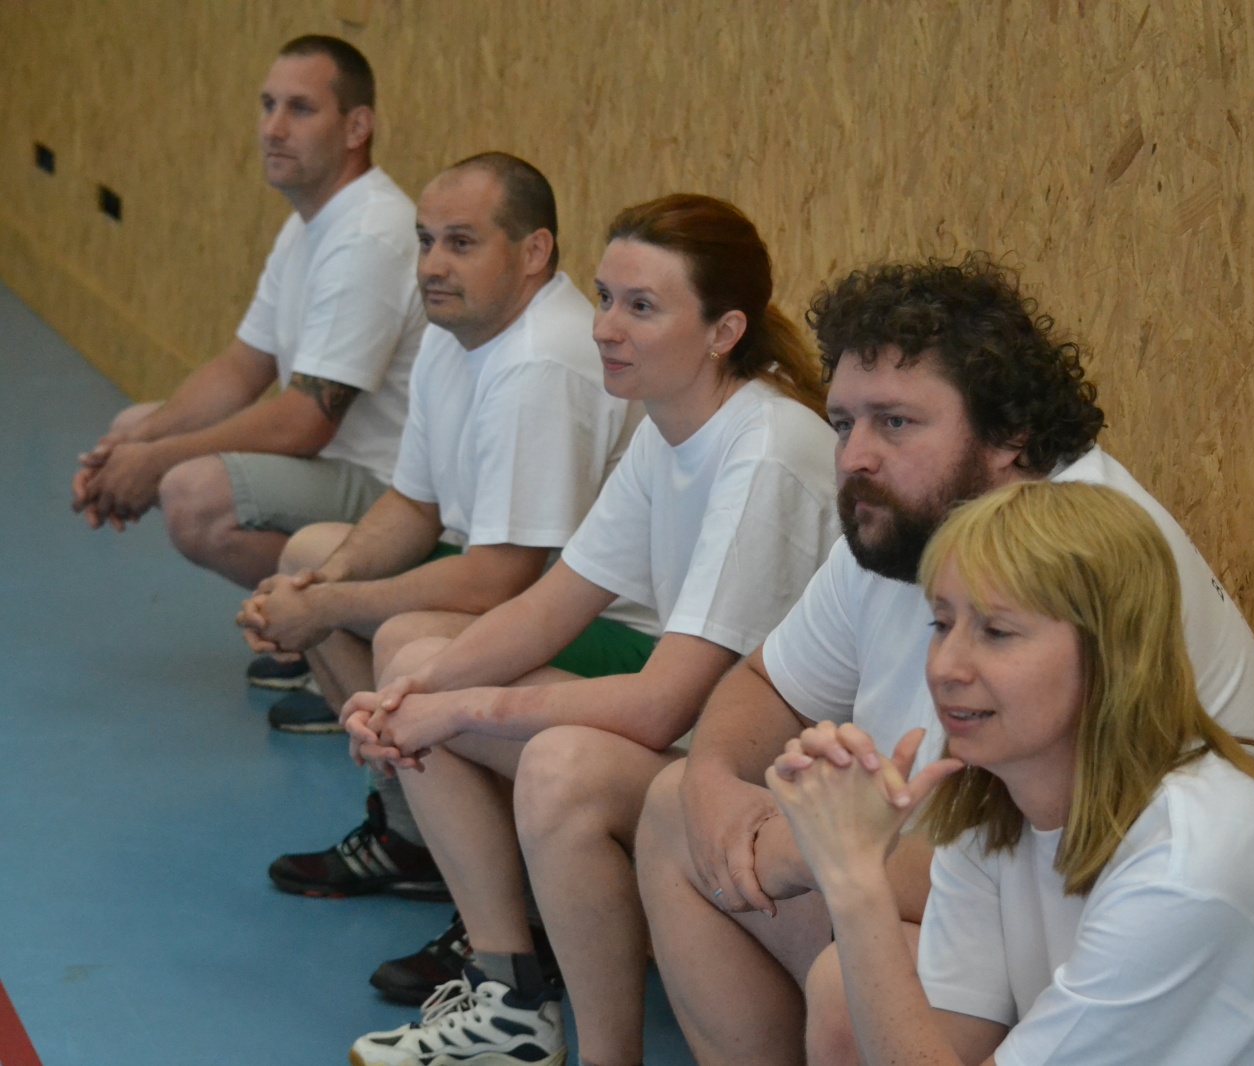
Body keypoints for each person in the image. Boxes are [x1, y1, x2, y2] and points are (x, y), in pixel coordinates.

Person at [634, 255, 1254, 1066]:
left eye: (895, 422)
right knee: (677, 805)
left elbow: (1045, 852)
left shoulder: (1086, 555)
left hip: (1118, 933)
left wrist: (805, 852)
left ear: (1009, 435)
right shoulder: (908, 518)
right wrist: (714, 786)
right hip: (995, 892)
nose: (855, 456)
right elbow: (770, 682)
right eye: (843, 424)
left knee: (853, 986)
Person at [344, 194, 841, 1066]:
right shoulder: (670, 423)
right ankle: (510, 996)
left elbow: (660, 707)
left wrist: (459, 708)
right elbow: (551, 604)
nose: (606, 326)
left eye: (642, 307)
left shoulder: (765, 448)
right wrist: (412, 694)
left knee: (559, 767)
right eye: (606, 298)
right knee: (424, 664)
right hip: (702, 739)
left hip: (778, 777)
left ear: (723, 331)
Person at [767, 480, 1254, 1065]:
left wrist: (854, 880)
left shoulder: (1194, 860)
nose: (946, 666)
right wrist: (852, 869)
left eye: (996, 632)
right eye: (942, 624)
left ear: (1110, 657)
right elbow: (945, 1043)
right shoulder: (995, 802)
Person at [237, 152, 640, 1007]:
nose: (432, 265)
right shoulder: (456, 338)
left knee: (406, 638)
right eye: (425, 241)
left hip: (629, 636)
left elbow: (501, 581)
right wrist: (323, 584)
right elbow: (413, 504)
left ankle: (509, 937)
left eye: (461, 242)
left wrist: (332, 607)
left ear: (534, 252)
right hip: (540, 604)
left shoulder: (540, 361)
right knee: (312, 552)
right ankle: (416, 842)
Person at [69, 35, 423, 682]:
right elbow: (241, 368)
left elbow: (305, 421)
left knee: (192, 493)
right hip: (335, 466)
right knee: (134, 425)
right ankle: (314, 633)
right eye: (267, 105)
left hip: (392, 490)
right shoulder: (310, 222)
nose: (273, 128)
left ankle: (339, 645)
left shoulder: (370, 235)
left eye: (300, 109)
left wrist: (156, 462)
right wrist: (129, 451)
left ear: (357, 128)